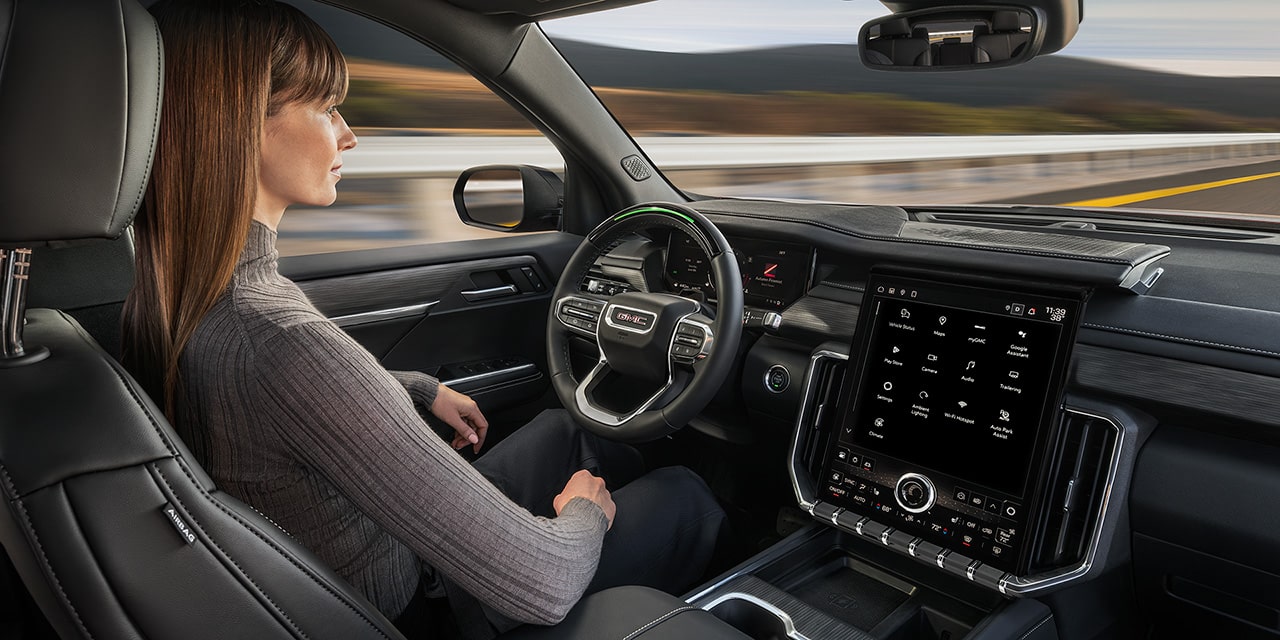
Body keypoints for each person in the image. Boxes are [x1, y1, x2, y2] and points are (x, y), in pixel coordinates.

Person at [120, 1, 726, 638]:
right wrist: (583, 514)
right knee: (684, 495)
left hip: (364, 555)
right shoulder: (277, 338)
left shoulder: (181, 299)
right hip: (417, 609)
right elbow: (542, 583)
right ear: (239, 125)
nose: (348, 134)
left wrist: (417, 389)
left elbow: (275, 415)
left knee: (567, 430)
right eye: (327, 108)